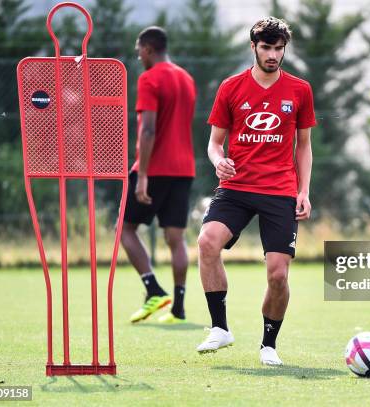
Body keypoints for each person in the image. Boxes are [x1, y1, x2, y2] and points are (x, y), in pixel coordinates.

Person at [196, 17, 315, 365]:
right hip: (236, 187)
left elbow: (304, 146)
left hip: (280, 190)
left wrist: (303, 190)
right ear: (254, 47)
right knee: (206, 242)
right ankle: (220, 328)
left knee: (278, 274)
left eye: (279, 48)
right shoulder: (231, 88)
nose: (273, 55)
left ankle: (268, 346)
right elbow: (214, 143)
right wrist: (218, 161)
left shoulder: (300, 90)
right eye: (267, 47)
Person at [121, 26, 196, 325]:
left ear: (149, 49)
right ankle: (178, 307)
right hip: (184, 169)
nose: (138, 55)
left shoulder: (149, 78)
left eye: (139, 49)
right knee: (175, 238)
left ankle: (153, 289)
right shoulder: (187, 79)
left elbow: (148, 129)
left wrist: (142, 176)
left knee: (125, 230)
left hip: (155, 169)